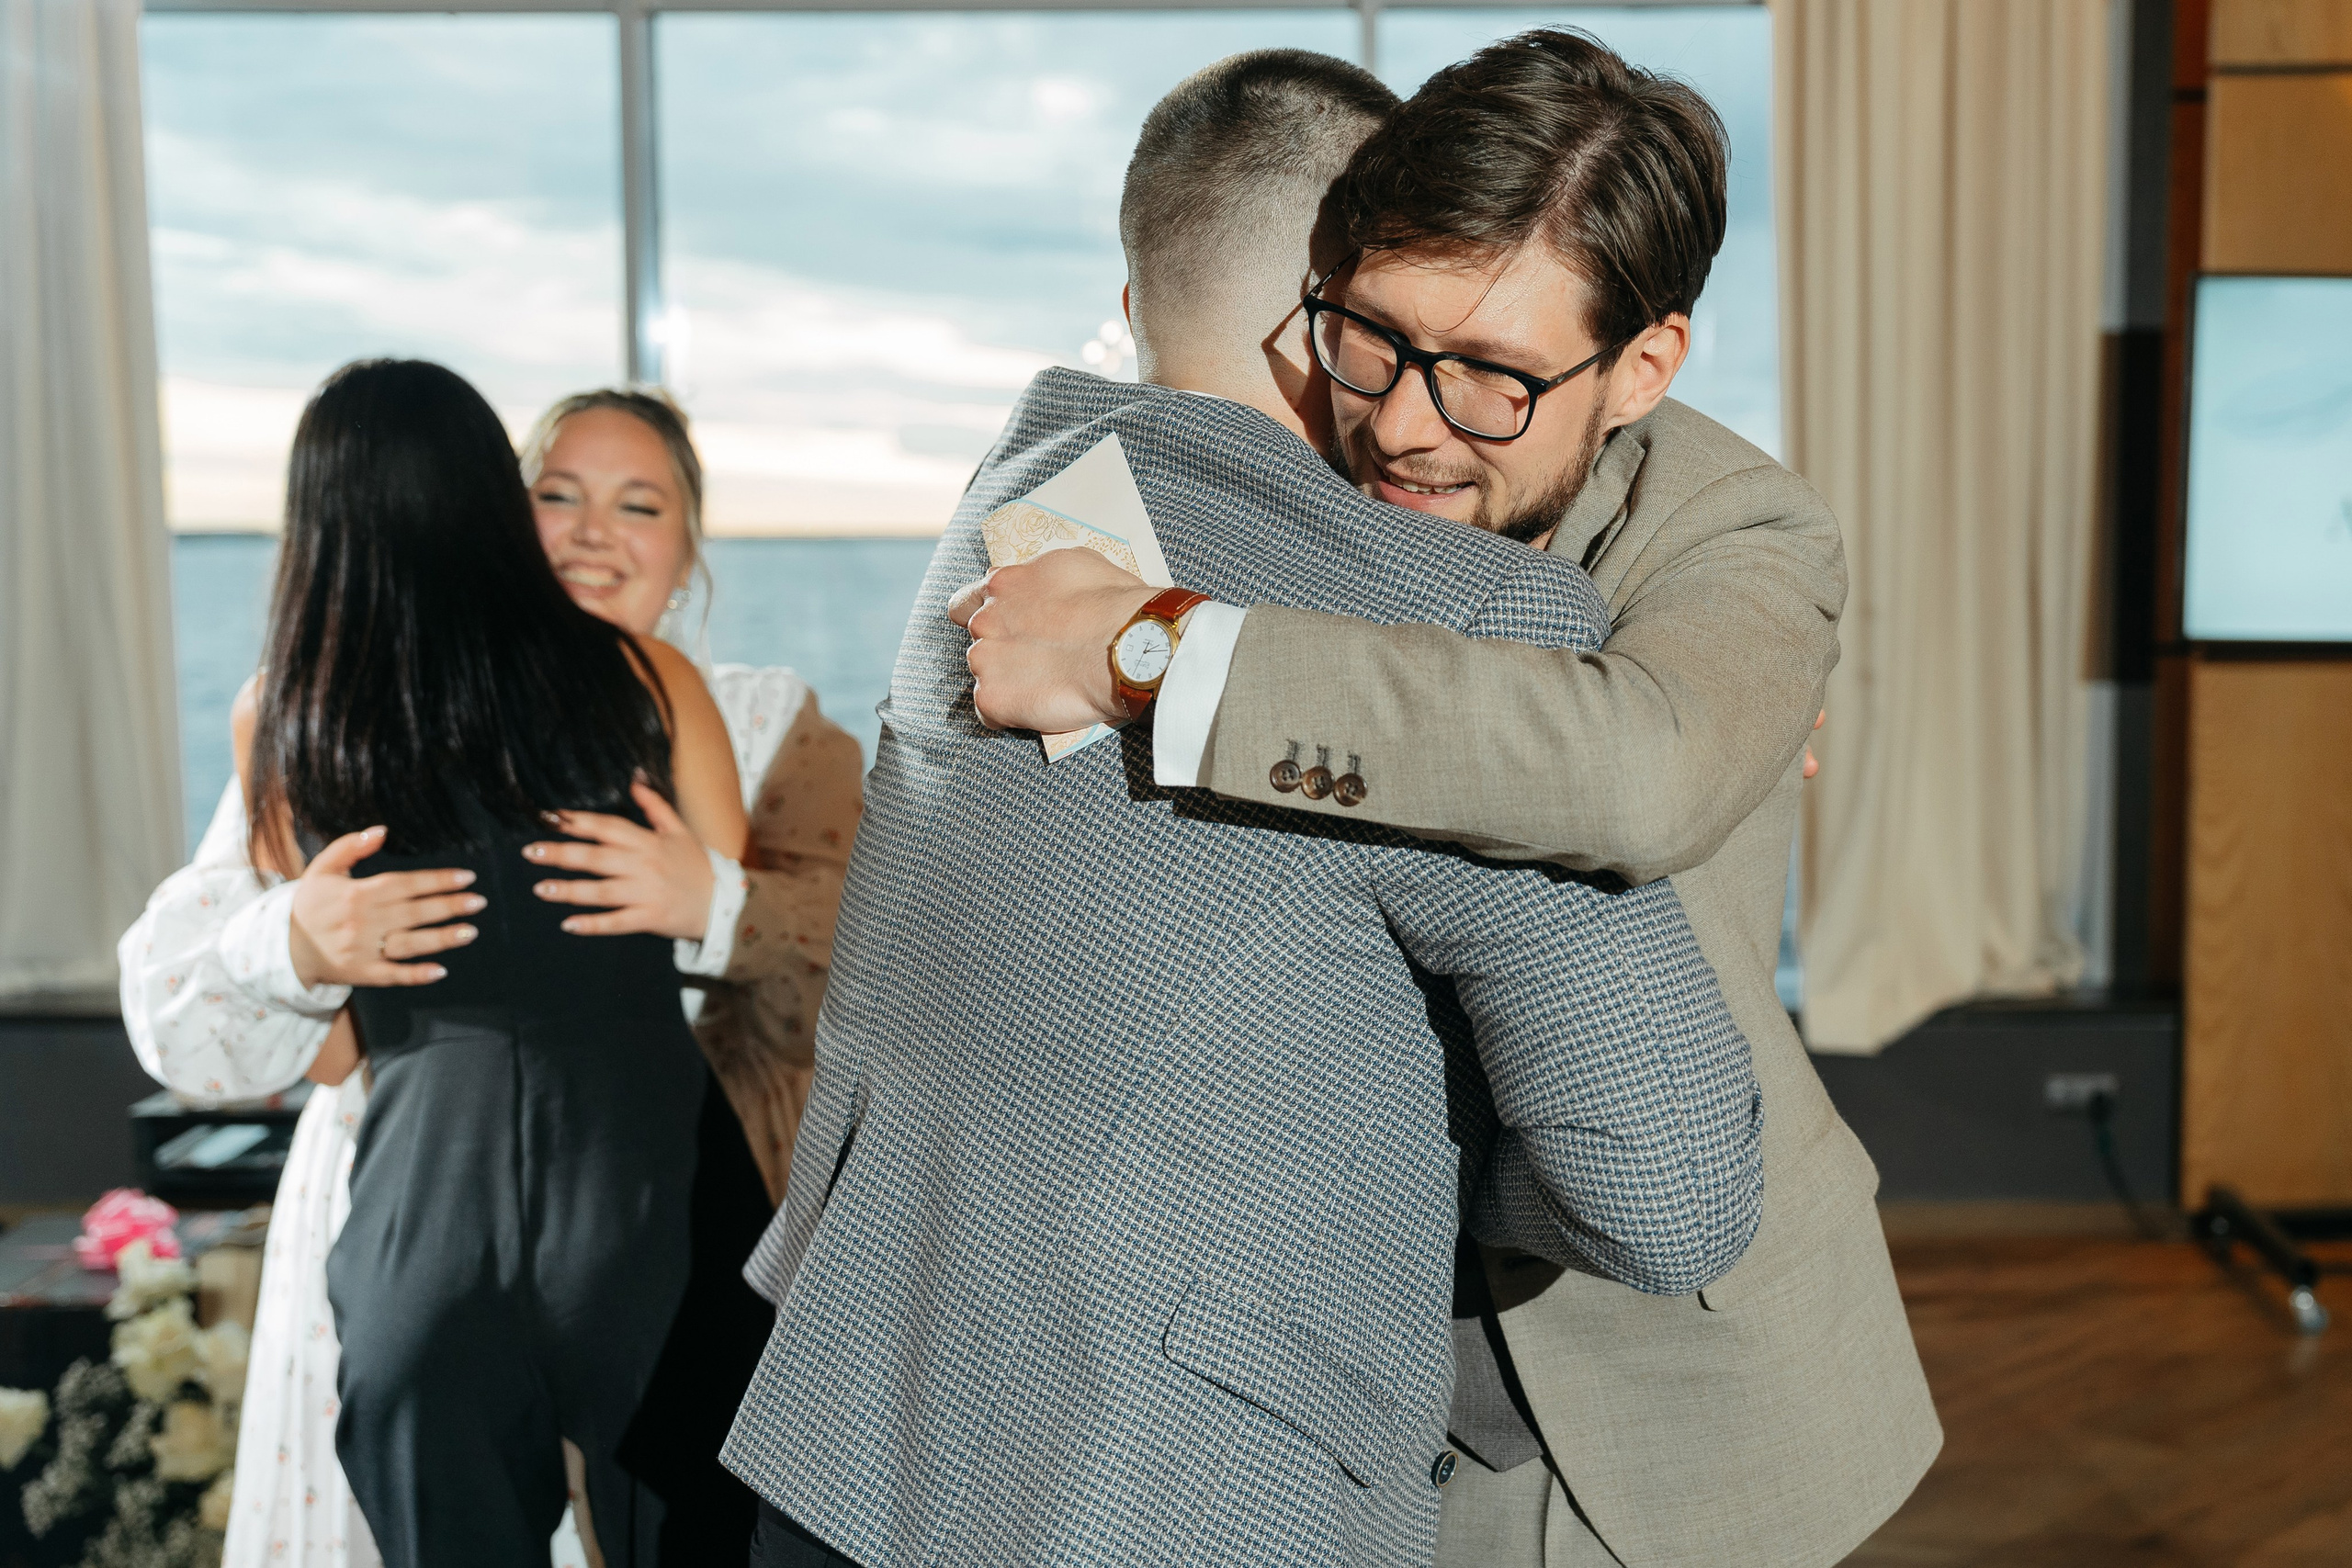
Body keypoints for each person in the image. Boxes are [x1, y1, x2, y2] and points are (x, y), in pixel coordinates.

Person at [720, 51, 1762, 1568]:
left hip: (848, 1434)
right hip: (1181, 1495)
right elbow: (1670, 1195)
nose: (1416, 425)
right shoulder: (1456, 615)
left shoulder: (1000, 513)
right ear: (1327, 304)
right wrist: (1455, 1140)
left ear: (1140, 299)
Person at [952, 29, 1939, 1568]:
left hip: (1648, 1386)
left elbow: (1642, 764)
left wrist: (1159, 655)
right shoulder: (1294, 461)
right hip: (1308, 1346)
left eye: (1492, 377)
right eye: (1378, 337)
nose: (1406, 423)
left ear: (1644, 368)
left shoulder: (1737, 531)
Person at [118, 376, 861, 1566]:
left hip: (426, 1208)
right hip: (651, 1194)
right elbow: (734, 917)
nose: (589, 530)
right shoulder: (650, 680)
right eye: (557, 495)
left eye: (637, 505)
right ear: (500, 505)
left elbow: (332, 1045)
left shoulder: (286, 714)